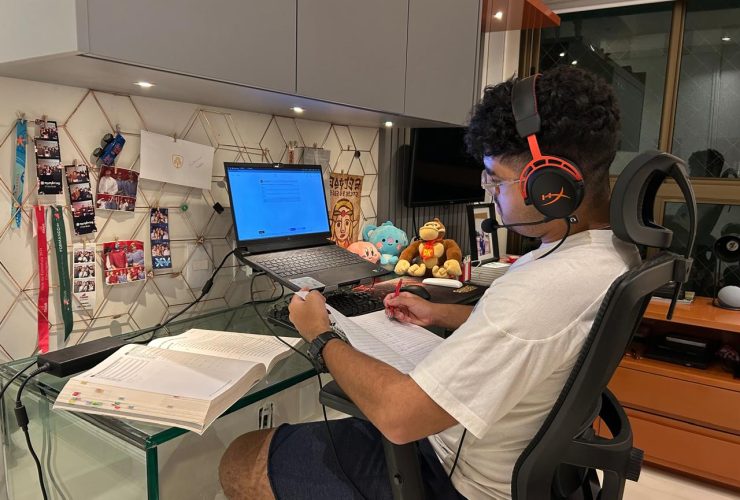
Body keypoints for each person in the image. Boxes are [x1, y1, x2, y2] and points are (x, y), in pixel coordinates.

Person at [219, 66, 640, 500]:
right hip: (515, 464)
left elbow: (399, 416)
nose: (490, 192)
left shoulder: (543, 288)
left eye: (496, 178)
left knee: (240, 458)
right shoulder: (609, 254)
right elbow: (534, 335)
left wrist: (319, 334)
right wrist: (439, 313)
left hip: (452, 476)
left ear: (550, 183)